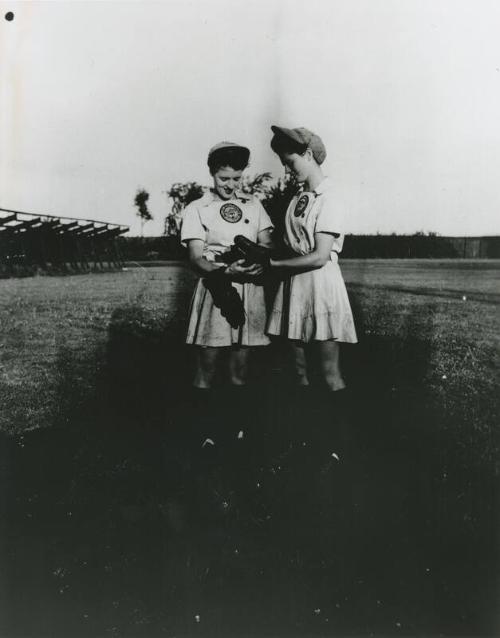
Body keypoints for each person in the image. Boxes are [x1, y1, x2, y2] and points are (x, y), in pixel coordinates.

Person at [266, 126, 357, 452]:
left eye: (290, 162)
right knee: (299, 370)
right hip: (294, 286)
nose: (287, 169)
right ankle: (307, 441)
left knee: (329, 371)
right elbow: (289, 246)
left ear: (308, 154)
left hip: (320, 285)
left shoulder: (331, 197)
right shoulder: (297, 198)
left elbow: (319, 256)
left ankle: (338, 446)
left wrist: (272, 267)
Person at [180, 141, 273, 451]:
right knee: (207, 365)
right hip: (216, 287)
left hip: (250, 289)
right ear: (212, 174)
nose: (231, 185)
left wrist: (258, 260)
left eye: (237, 178)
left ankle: (238, 433)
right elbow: (196, 257)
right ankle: (204, 435)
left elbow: (267, 246)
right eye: (224, 179)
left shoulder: (254, 206)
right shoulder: (197, 208)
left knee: (240, 368)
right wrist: (225, 271)